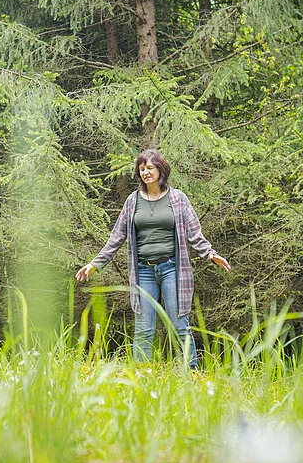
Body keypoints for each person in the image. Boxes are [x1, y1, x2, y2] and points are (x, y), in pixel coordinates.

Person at [75, 150, 231, 368]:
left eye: (150, 167)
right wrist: (95, 263)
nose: (146, 172)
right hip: (143, 272)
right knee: (144, 328)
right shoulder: (132, 201)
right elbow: (116, 237)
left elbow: (194, 234)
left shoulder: (178, 199)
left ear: (160, 169)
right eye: (142, 169)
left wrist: (210, 254)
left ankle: (190, 372)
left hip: (172, 270)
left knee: (179, 325)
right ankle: (141, 374)